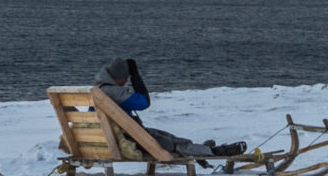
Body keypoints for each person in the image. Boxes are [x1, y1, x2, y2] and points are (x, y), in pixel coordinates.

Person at [93, 59, 246, 159]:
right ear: (117, 77)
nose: (126, 81)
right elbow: (144, 102)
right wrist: (136, 77)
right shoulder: (114, 92)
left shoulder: (98, 90)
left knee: (165, 135)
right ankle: (214, 152)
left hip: (112, 137)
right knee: (171, 144)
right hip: (128, 140)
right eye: (125, 77)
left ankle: (199, 149)